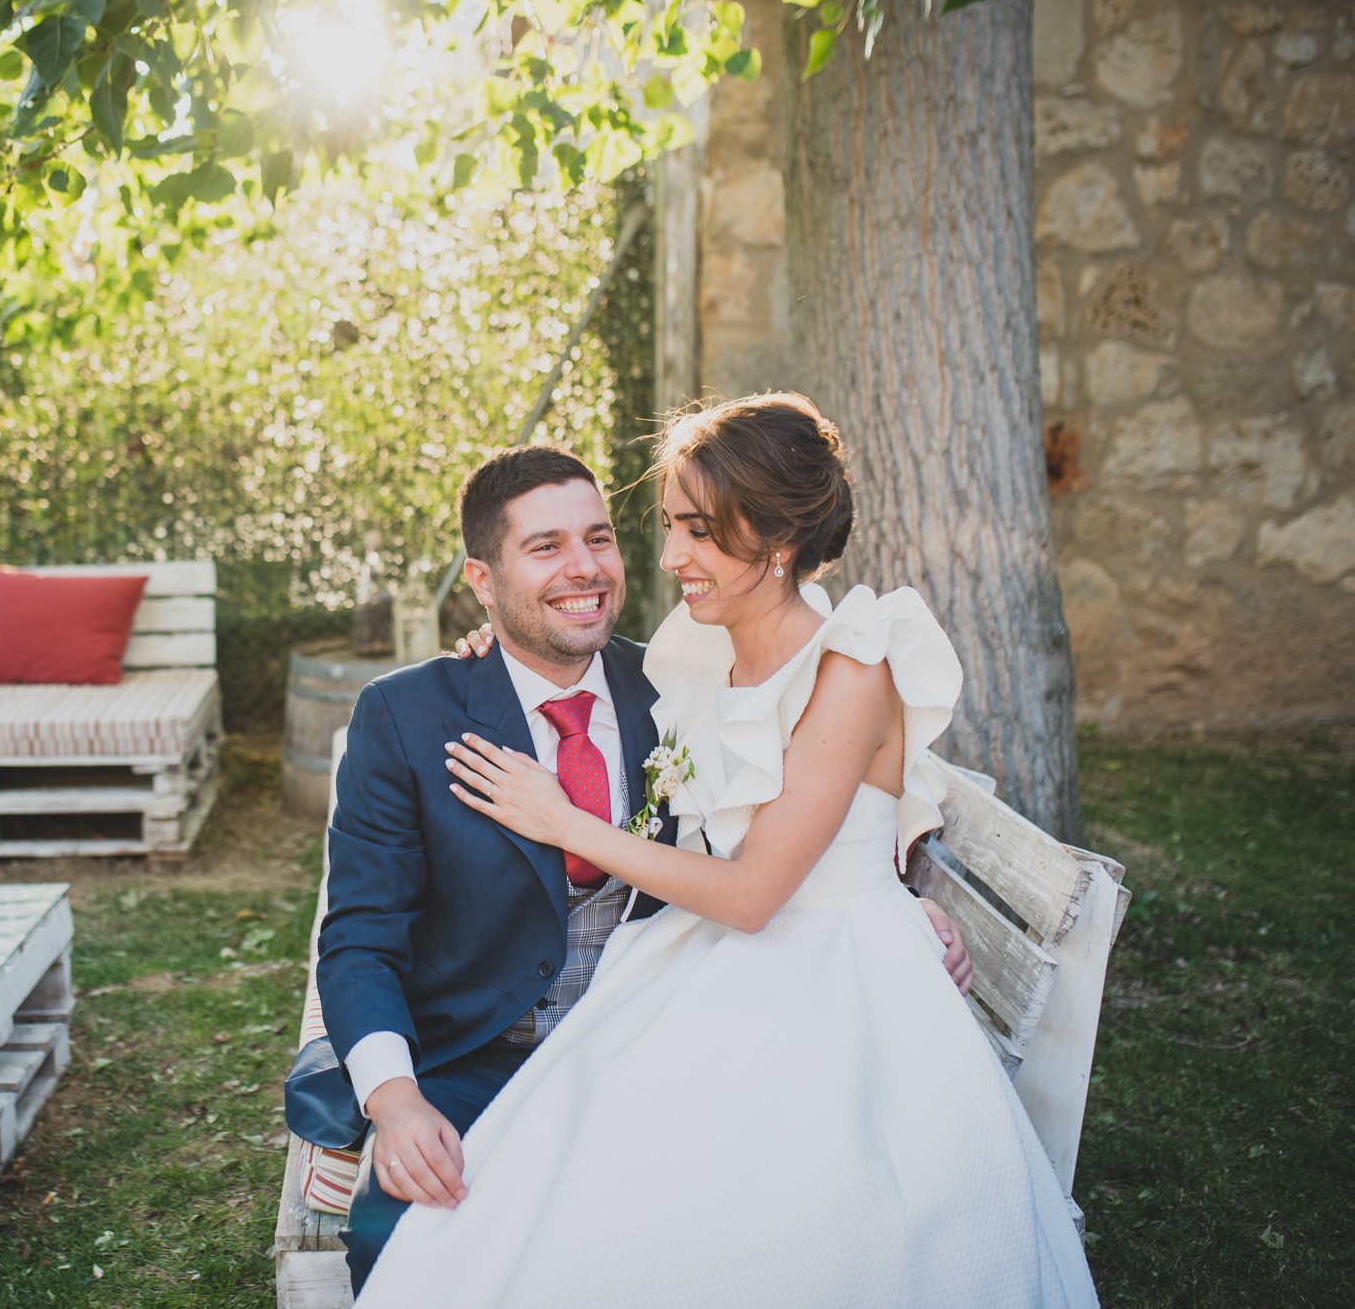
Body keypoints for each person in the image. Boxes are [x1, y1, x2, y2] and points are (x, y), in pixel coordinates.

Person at [355, 395, 1098, 1307]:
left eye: (690, 533)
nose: (663, 559)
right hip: (643, 987)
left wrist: (898, 892)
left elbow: (786, 858)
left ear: (773, 536)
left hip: (807, 987)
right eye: (666, 527)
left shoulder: (804, 661)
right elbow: (869, 787)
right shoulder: (691, 660)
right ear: (484, 576)